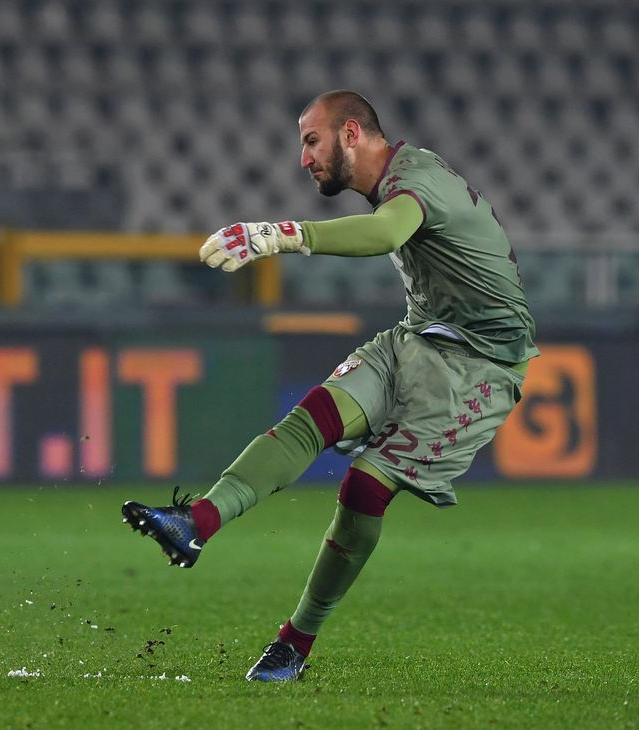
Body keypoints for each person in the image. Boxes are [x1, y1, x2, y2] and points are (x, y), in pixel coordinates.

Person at [122, 90, 538, 682]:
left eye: (311, 141)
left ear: (350, 133)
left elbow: (384, 234)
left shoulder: (413, 182)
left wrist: (286, 235)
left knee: (365, 487)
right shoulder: (402, 176)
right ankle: (197, 523)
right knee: (312, 417)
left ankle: (295, 643)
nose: (304, 159)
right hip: (417, 338)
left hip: (481, 365)